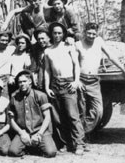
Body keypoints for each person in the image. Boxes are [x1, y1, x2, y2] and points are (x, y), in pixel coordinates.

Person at [75, 23, 125, 133]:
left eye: (93, 34)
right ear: (84, 32)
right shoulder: (78, 45)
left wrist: (124, 70)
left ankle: (82, 132)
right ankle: (79, 138)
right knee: (80, 110)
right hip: (82, 80)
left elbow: (111, 56)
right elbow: (75, 65)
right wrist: (77, 80)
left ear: (97, 34)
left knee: (98, 111)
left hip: (94, 81)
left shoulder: (99, 42)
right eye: (89, 33)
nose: (91, 36)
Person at [44, 22, 85, 155]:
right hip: (54, 84)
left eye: (59, 33)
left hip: (68, 83)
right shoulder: (48, 50)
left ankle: (79, 144)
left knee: (73, 115)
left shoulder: (69, 46)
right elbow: (47, 70)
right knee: (57, 117)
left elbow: (76, 65)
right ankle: (64, 143)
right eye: (54, 33)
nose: (57, 35)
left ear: (63, 34)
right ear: (51, 34)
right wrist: (47, 87)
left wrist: (75, 81)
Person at [8, 70, 57, 158]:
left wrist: (39, 134)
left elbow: (47, 118)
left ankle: (35, 148)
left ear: (30, 81)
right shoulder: (14, 97)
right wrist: (21, 133)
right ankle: (28, 148)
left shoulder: (40, 95)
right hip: (24, 131)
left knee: (51, 152)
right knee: (13, 152)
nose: (22, 84)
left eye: (24, 81)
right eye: (19, 82)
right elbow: (12, 120)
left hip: (40, 130)